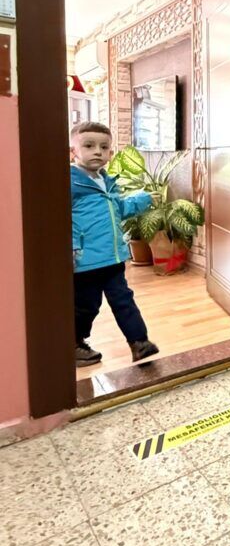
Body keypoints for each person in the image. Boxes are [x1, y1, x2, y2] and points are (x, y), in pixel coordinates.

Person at [70, 122, 159, 368]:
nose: (97, 151)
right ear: (73, 151)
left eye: (104, 147)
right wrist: (73, 246)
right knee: (87, 306)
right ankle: (74, 343)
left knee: (123, 300)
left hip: (113, 258)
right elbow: (62, 219)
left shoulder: (107, 181)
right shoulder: (69, 182)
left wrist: (143, 199)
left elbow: (119, 209)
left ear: (110, 152)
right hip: (85, 261)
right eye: (89, 146)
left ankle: (139, 343)